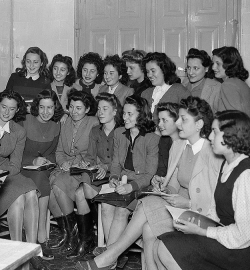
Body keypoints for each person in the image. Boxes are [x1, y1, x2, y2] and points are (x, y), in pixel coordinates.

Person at [77, 97, 222, 270]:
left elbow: (217, 200)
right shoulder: (179, 146)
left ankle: (109, 256)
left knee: (145, 208)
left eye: (183, 119)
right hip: (176, 204)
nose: (178, 123)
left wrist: (188, 203)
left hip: (199, 212)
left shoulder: (213, 153)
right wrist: (165, 188)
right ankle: (112, 257)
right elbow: (174, 184)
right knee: (147, 226)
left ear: (198, 125)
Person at [155, 110, 250, 270]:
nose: (210, 137)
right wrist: (194, 223)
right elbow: (215, 212)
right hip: (229, 237)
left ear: (231, 135)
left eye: (215, 132)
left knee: (167, 248)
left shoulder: (249, 174)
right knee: (161, 243)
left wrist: (203, 232)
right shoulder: (228, 165)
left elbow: (245, 235)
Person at [0, 90, 47, 270]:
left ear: (17, 110)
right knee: (20, 197)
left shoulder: (18, 131)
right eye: (4, 107)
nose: (6, 112)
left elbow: (15, 165)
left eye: (12, 109)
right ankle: (20, 254)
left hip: (7, 175)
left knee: (30, 193)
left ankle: (29, 250)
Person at [100, 95, 159, 256]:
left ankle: (109, 256)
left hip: (142, 186)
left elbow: (149, 174)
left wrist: (130, 186)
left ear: (141, 115)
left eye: (129, 114)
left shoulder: (152, 139)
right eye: (124, 113)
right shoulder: (119, 133)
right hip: (122, 182)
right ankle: (112, 254)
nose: (124, 117)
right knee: (105, 206)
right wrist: (113, 178)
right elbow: (116, 163)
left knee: (121, 211)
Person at [69, 93, 123, 258]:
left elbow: (120, 160)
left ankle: (103, 241)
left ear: (114, 112)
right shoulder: (95, 131)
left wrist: (104, 166)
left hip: (115, 174)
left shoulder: (121, 132)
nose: (100, 112)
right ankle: (87, 240)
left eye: (105, 109)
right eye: (99, 109)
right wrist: (87, 163)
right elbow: (91, 157)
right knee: (81, 191)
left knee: (82, 193)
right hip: (97, 174)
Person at [48, 90, 99, 255]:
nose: (74, 111)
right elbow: (59, 151)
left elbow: (94, 151)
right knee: (51, 186)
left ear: (87, 108)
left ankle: (77, 235)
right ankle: (70, 233)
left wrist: (74, 163)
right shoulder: (66, 122)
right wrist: (63, 163)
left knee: (57, 184)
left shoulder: (94, 122)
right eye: (71, 107)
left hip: (85, 168)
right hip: (66, 167)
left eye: (79, 108)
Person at [21, 89, 63, 261]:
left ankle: (39, 235)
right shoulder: (25, 121)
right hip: (23, 167)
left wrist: (45, 160)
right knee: (41, 179)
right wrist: (33, 160)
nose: (46, 112)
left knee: (43, 177)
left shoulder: (56, 124)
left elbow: (54, 153)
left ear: (55, 108)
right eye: (42, 107)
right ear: (36, 107)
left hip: (44, 168)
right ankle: (41, 236)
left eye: (50, 108)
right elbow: (15, 152)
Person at [212, 46, 250, 131]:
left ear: (229, 64)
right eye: (213, 63)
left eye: (218, 64)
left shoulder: (228, 85)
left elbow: (236, 120)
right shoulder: (241, 83)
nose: (213, 67)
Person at [141, 52, 187, 124]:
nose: (149, 75)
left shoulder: (180, 91)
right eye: (147, 71)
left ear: (164, 69)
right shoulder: (145, 93)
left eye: (153, 71)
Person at [183, 48, 221, 113]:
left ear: (206, 69)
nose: (190, 72)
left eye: (196, 68)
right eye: (189, 67)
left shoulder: (216, 87)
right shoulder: (183, 84)